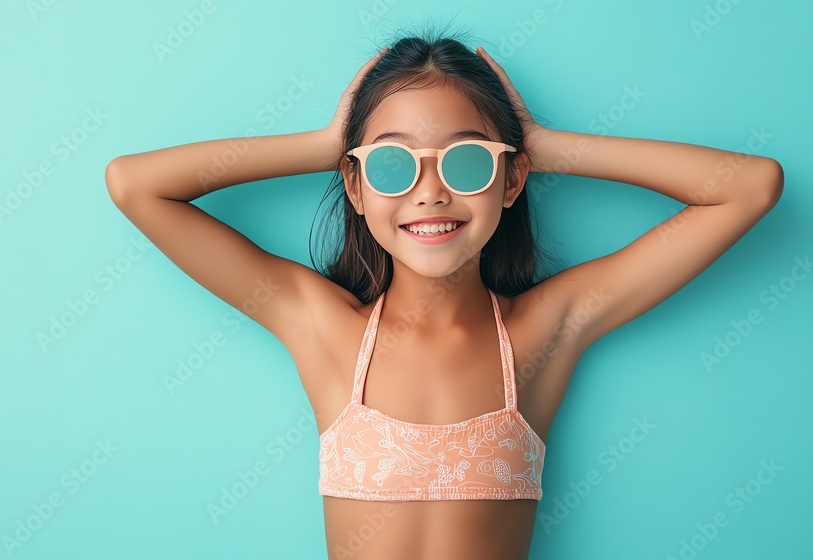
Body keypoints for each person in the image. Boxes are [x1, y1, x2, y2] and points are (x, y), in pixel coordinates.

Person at [104, 31, 783, 560]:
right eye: (394, 164)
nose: (431, 192)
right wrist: (323, 145)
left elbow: (747, 187)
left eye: (467, 161)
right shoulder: (321, 328)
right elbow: (135, 185)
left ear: (511, 183)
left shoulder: (546, 330)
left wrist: (542, 146)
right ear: (357, 187)